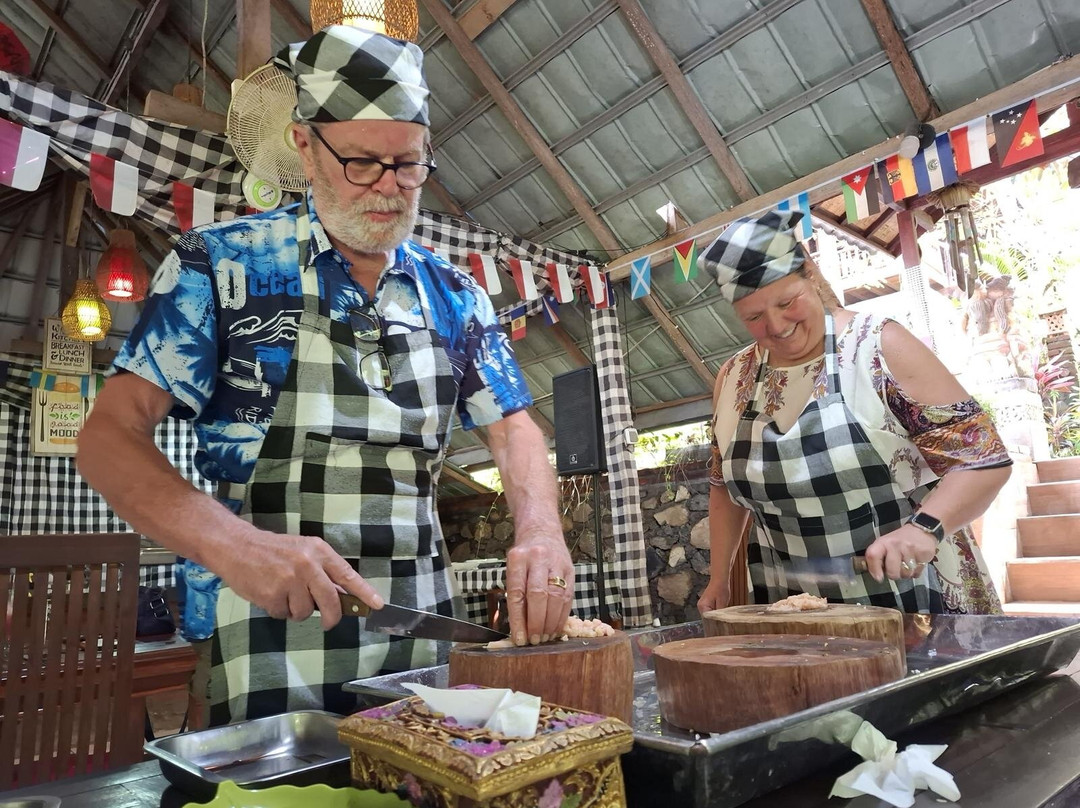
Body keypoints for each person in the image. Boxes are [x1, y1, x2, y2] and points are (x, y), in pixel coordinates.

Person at [77, 26, 573, 726]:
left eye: (409, 164)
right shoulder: (222, 267)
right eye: (362, 163)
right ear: (306, 147)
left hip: (420, 637)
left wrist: (543, 531)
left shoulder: (455, 295)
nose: (389, 188)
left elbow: (515, 428)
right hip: (264, 642)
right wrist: (233, 543)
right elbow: (107, 438)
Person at [697, 210, 1010, 614]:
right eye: (754, 317)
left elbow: (984, 461)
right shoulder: (733, 377)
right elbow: (724, 487)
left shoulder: (879, 348)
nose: (776, 326)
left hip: (911, 599)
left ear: (810, 276)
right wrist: (719, 578)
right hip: (791, 609)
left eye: (787, 302)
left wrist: (925, 528)